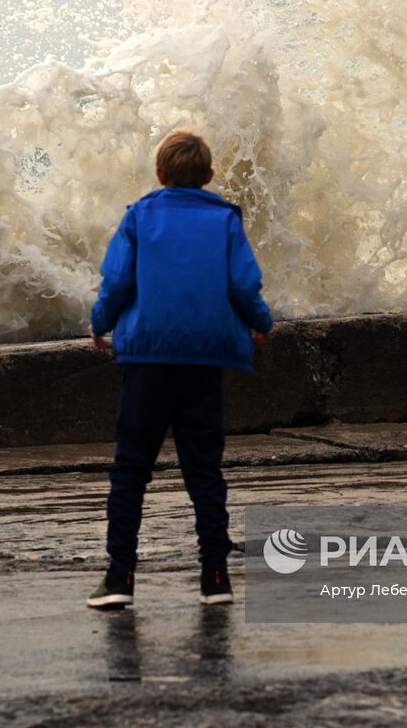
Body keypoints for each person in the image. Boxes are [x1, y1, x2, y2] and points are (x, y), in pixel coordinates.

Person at [86, 130, 273, 609]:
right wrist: (261, 323)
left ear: (160, 174)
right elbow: (244, 285)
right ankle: (215, 578)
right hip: (204, 361)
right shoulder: (225, 220)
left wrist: (100, 323)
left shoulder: (140, 215)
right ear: (209, 176)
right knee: (204, 471)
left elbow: (118, 281)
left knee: (131, 470)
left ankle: (120, 579)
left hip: (147, 359)